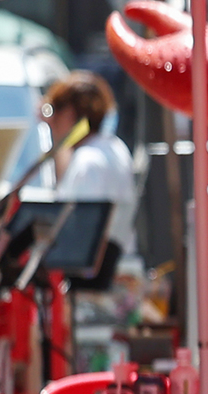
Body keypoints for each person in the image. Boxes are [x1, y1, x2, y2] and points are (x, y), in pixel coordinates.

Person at [40, 72, 137, 257]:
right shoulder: (114, 147)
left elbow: (80, 235)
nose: (51, 125)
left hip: (93, 278)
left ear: (68, 114)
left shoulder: (88, 162)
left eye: (53, 114)